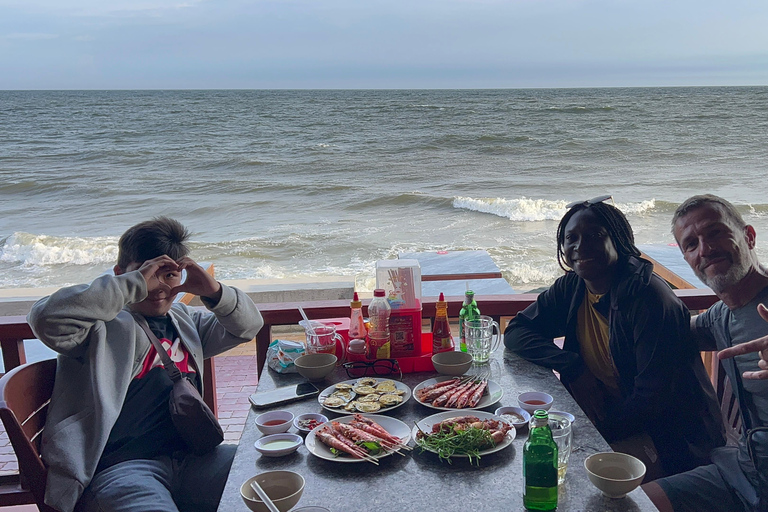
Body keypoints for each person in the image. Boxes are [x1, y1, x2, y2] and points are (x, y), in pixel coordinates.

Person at [27, 217, 264, 512]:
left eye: (169, 276)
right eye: (150, 274)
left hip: (193, 462)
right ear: (120, 275)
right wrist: (134, 284)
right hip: (121, 470)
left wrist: (214, 292)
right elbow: (45, 318)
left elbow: (248, 326)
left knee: (272, 476)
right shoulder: (96, 329)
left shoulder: (185, 322)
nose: (160, 287)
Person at [504, 196, 724, 478]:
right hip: (616, 419)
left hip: (672, 441)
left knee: (555, 468)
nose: (580, 246)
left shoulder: (649, 300)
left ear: (618, 241)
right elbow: (517, 331)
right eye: (571, 238)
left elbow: (652, 400)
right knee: (533, 456)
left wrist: (589, 431)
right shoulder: (574, 287)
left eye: (595, 235)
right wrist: (572, 365)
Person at [644, 195, 768, 512]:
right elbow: (668, 332)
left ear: (749, 236)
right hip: (742, 472)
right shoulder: (720, 317)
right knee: (629, 504)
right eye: (691, 244)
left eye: (715, 233)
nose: (706, 249)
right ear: (687, 259)